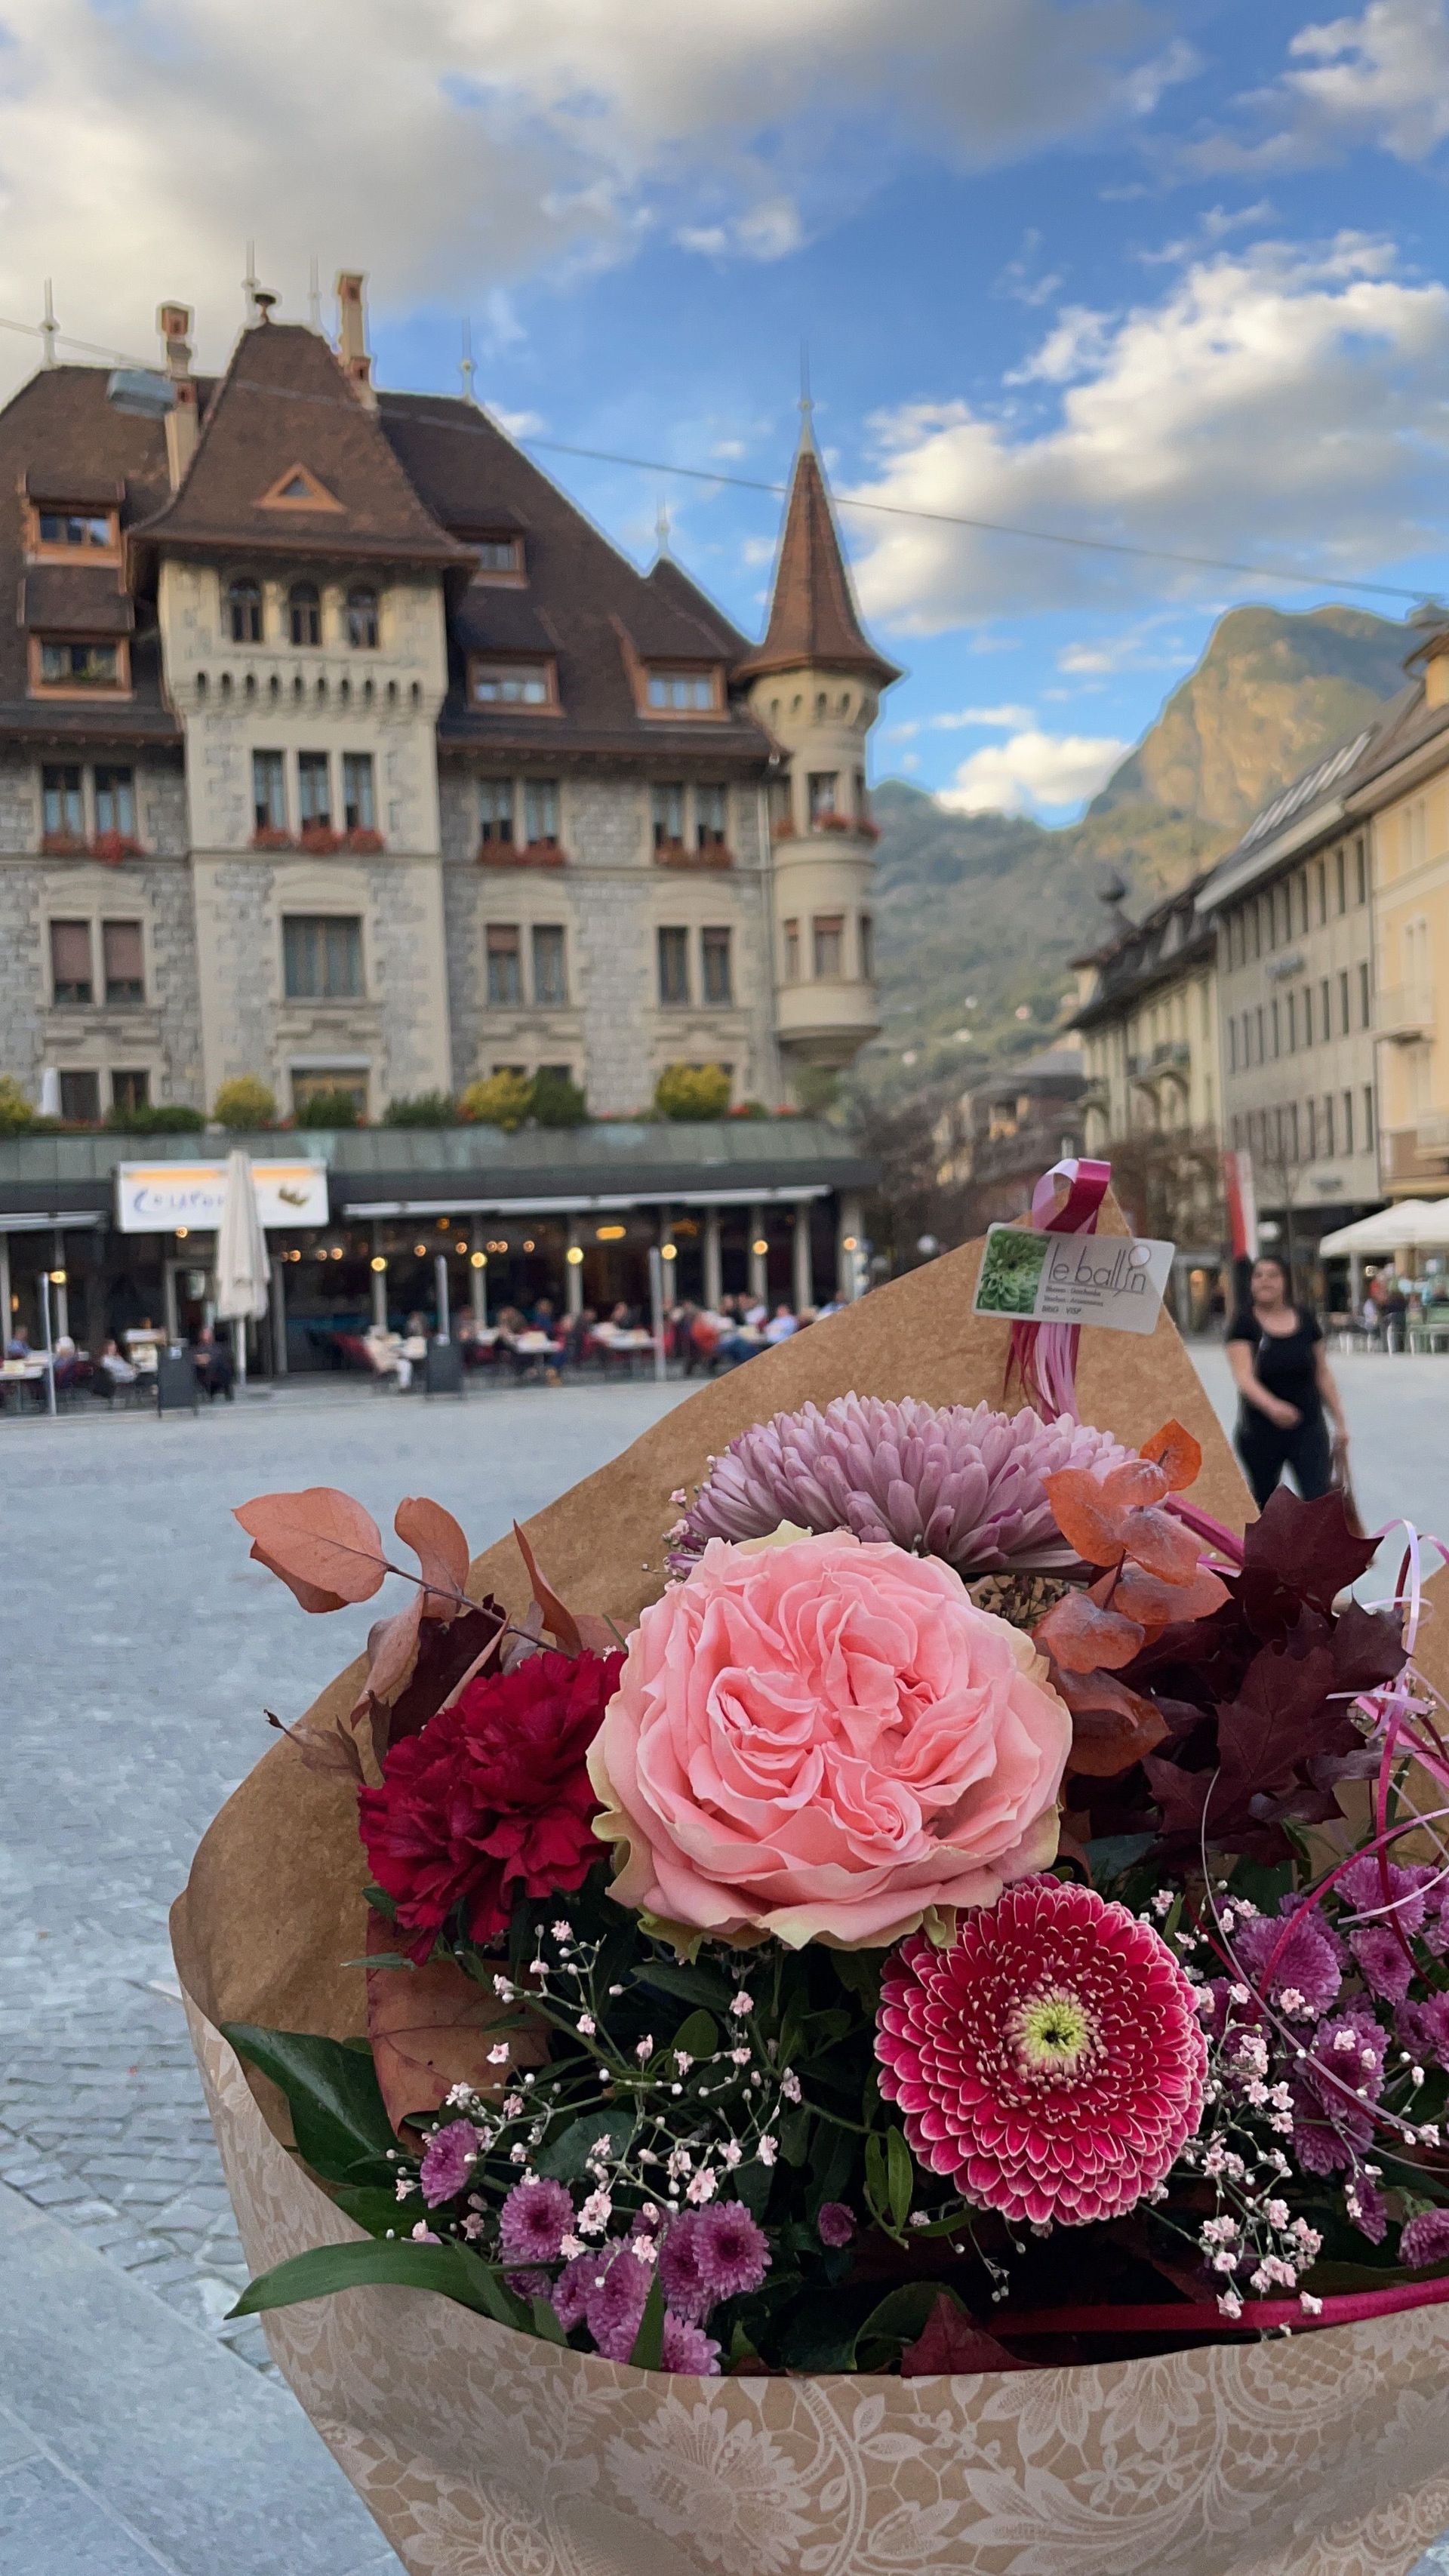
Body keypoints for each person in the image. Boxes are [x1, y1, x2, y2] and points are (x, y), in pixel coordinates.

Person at [1226, 1254, 1348, 1510]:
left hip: (1308, 1426)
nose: (1265, 1281)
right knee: (1265, 1505)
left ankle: (1316, 1551)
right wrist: (1273, 1407)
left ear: (1285, 1282)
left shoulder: (1305, 1318)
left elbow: (1322, 1373)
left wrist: (1340, 1422)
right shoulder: (1244, 1323)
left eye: (1273, 1275)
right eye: (1258, 1276)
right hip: (1261, 1430)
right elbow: (1244, 1377)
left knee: (1319, 1500)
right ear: (1250, 1283)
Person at [192, 1320, 235, 1402]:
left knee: (223, 1365)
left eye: (208, 1334)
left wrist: (208, 1359)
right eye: (205, 1334)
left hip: (217, 1374)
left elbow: (219, 1357)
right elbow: (194, 1358)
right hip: (202, 1373)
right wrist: (202, 1360)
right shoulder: (197, 1348)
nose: (206, 1336)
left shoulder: (218, 1348)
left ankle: (226, 1392)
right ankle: (209, 1392)